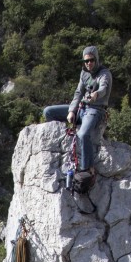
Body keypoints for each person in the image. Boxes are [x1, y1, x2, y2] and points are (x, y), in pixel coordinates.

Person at [43, 45, 112, 174]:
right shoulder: (84, 73)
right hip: (82, 109)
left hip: (95, 111)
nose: (89, 63)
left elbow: (104, 88)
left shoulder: (104, 73)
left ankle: (87, 167)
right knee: (48, 112)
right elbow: (78, 93)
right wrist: (71, 110)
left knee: (83, 134)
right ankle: (62, 143)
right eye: (86, 61)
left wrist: (96, 94)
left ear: (96, 59)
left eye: (91, 60)